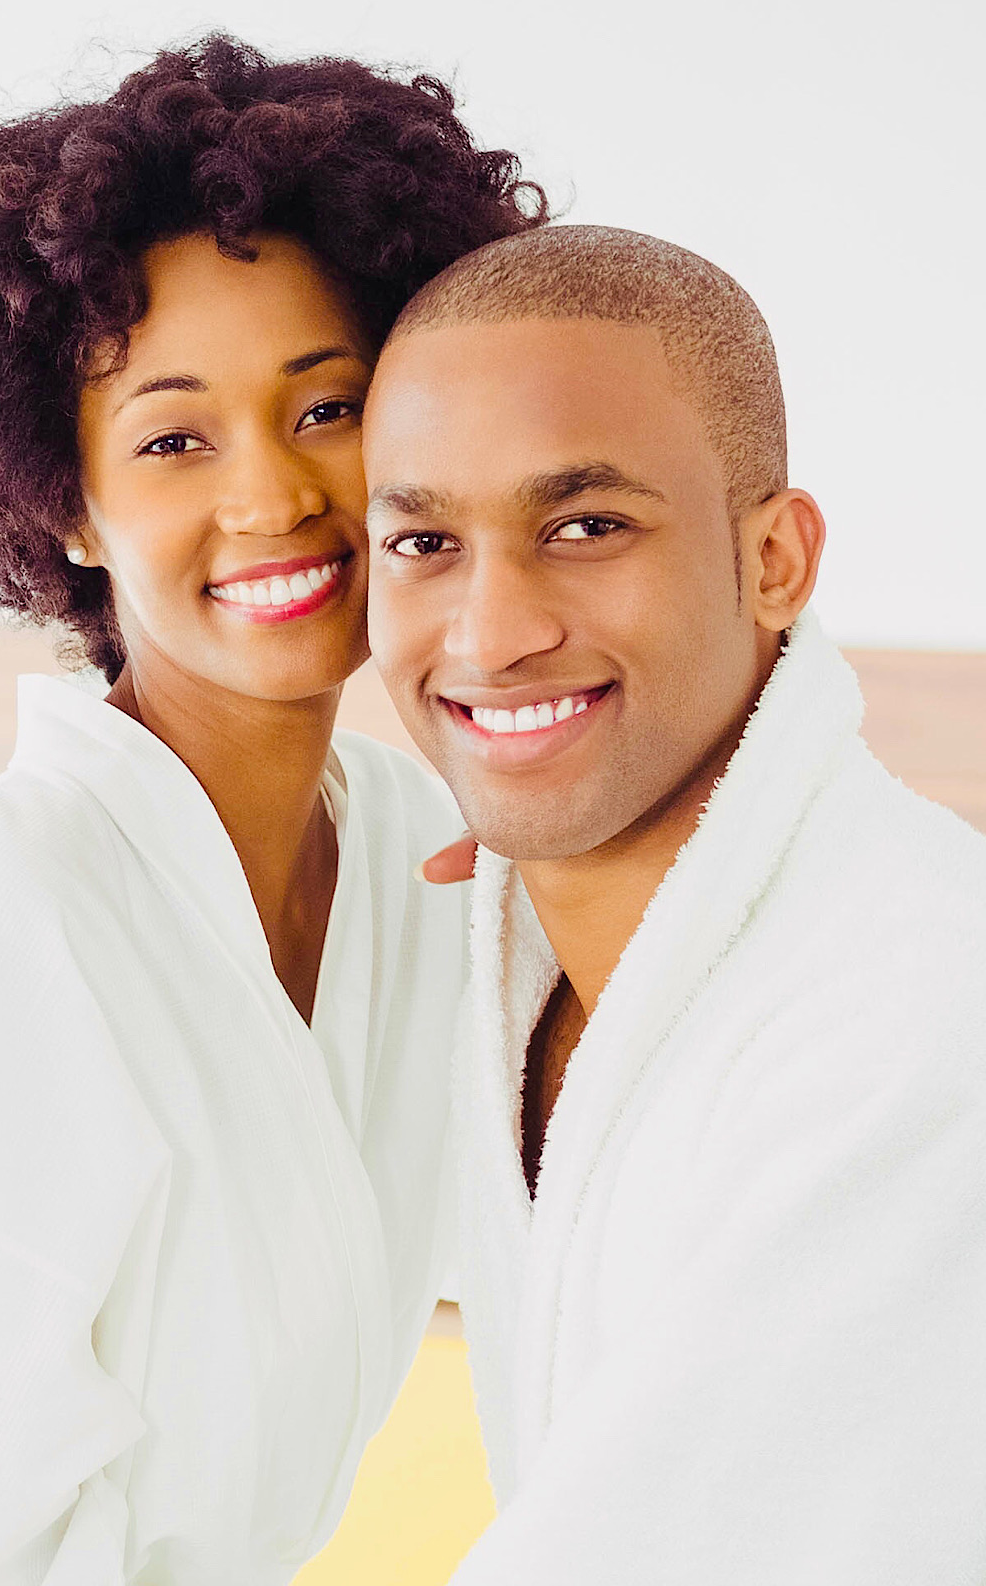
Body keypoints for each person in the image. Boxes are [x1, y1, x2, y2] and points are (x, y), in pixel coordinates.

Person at [0, 37, 547, 1585]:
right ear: (62, 501)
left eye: (327, 409)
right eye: (174, 439)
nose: (272, 497)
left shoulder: (431, 867)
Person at [362, 223, 986, 1583]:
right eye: (422, 540)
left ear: (775, 560)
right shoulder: (514, 946)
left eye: (586, 526)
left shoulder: (919, 1021)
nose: (487, 632)